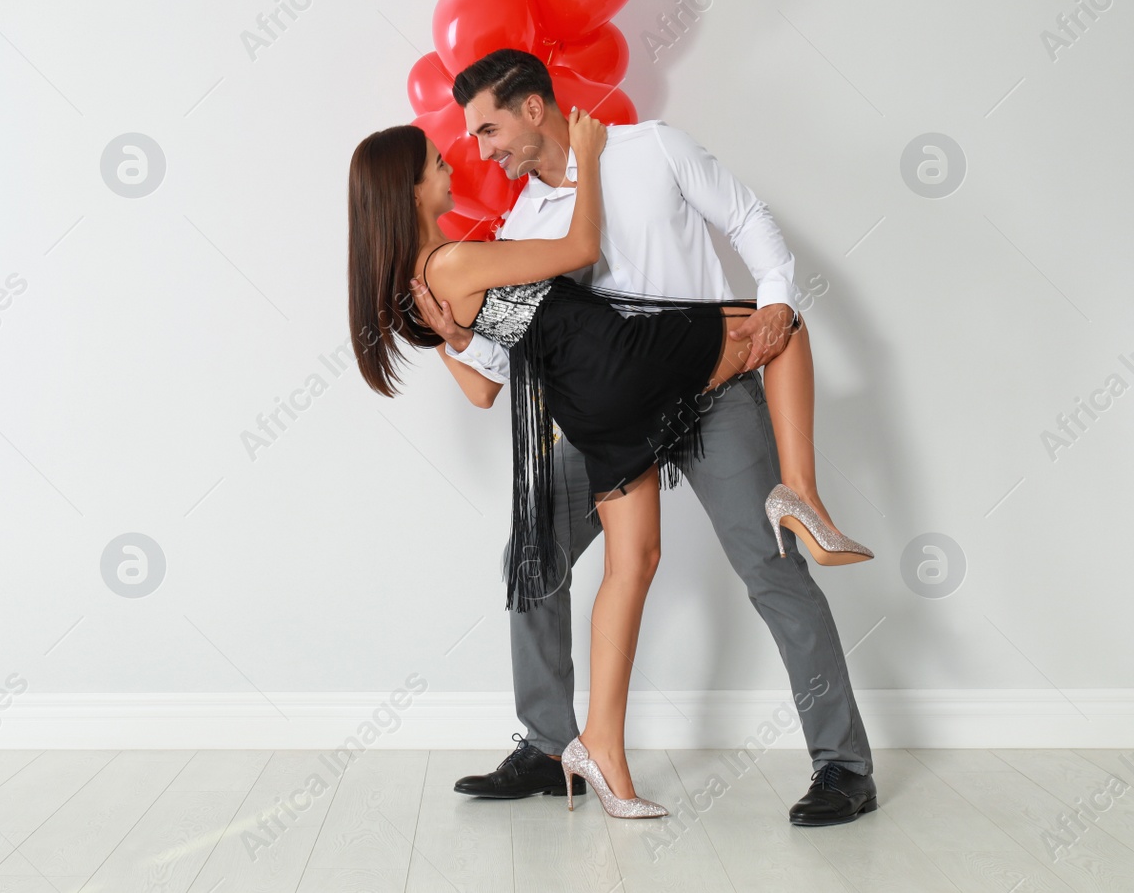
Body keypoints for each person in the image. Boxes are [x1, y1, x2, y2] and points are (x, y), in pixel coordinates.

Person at [347, 48, 877, 826]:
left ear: (533, 108)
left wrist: (773, 302)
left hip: (711, 389)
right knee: (531, 550)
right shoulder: (520, 222)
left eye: (490, 127)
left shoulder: (651, 148)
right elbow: (492, 365)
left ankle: (842, 766)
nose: (481, 150)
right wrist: (443, 332)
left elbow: (747, 218)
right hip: (606, 417)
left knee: (769, 564)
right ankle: (547, 743)